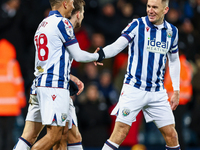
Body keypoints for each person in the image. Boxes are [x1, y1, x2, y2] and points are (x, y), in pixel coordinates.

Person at [13, 0, 105, 149]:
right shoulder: (63, 23)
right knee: (54, 136)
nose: (72, 3)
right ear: (64, 3)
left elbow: (47, 60)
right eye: (70, 1)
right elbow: (79, 56)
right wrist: (97, 56)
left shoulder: (43, 24)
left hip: (40, 84)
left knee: (33, 136)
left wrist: (69, 76)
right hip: (54, 87)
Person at [95, 0, 181, 149]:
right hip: (134, 88)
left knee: (172, 135)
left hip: (157, 91)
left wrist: (176, 90)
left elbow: (174, 61)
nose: (150, 10)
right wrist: (101, 54)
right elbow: (118, 45)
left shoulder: (172, 31)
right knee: (120, 132)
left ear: (165, 10)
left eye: (155, 7)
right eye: (148, 6)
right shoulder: (137, 24)